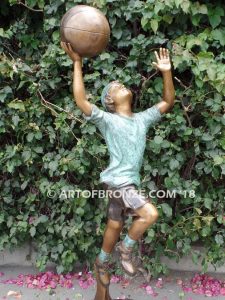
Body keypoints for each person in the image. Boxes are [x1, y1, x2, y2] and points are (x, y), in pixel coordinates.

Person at [60, 42, 175, 287]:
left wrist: (166, 72)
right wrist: (77, 63)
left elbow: (167, 102)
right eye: (115, 87)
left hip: (122, 182)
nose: (121, 85)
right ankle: (126, 249)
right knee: (150, 214)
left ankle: (102, 260)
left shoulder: (143, 119)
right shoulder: (108, 120)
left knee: (114, 223)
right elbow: (81, 101)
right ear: (109, 100)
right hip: (119, 182)